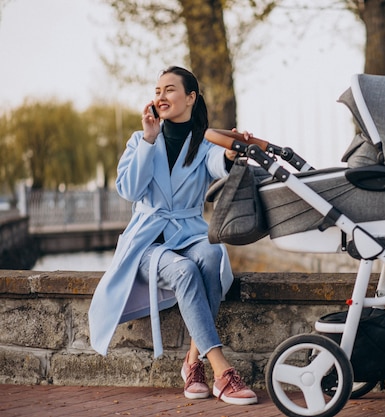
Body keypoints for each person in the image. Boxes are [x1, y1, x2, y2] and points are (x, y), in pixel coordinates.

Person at [88, 66, 257, 405]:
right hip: (147, 243)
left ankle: (192, 363)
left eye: (169, 89)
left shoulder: (205, 142)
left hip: (190, 232)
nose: (160, 96)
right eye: (157, 90)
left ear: (191, 97)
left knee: (211, 256)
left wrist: (231, 152)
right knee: (184, 271)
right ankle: (222, 370)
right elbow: (131, 191)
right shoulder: (140, 141)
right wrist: (149, 139)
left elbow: (218, 165)